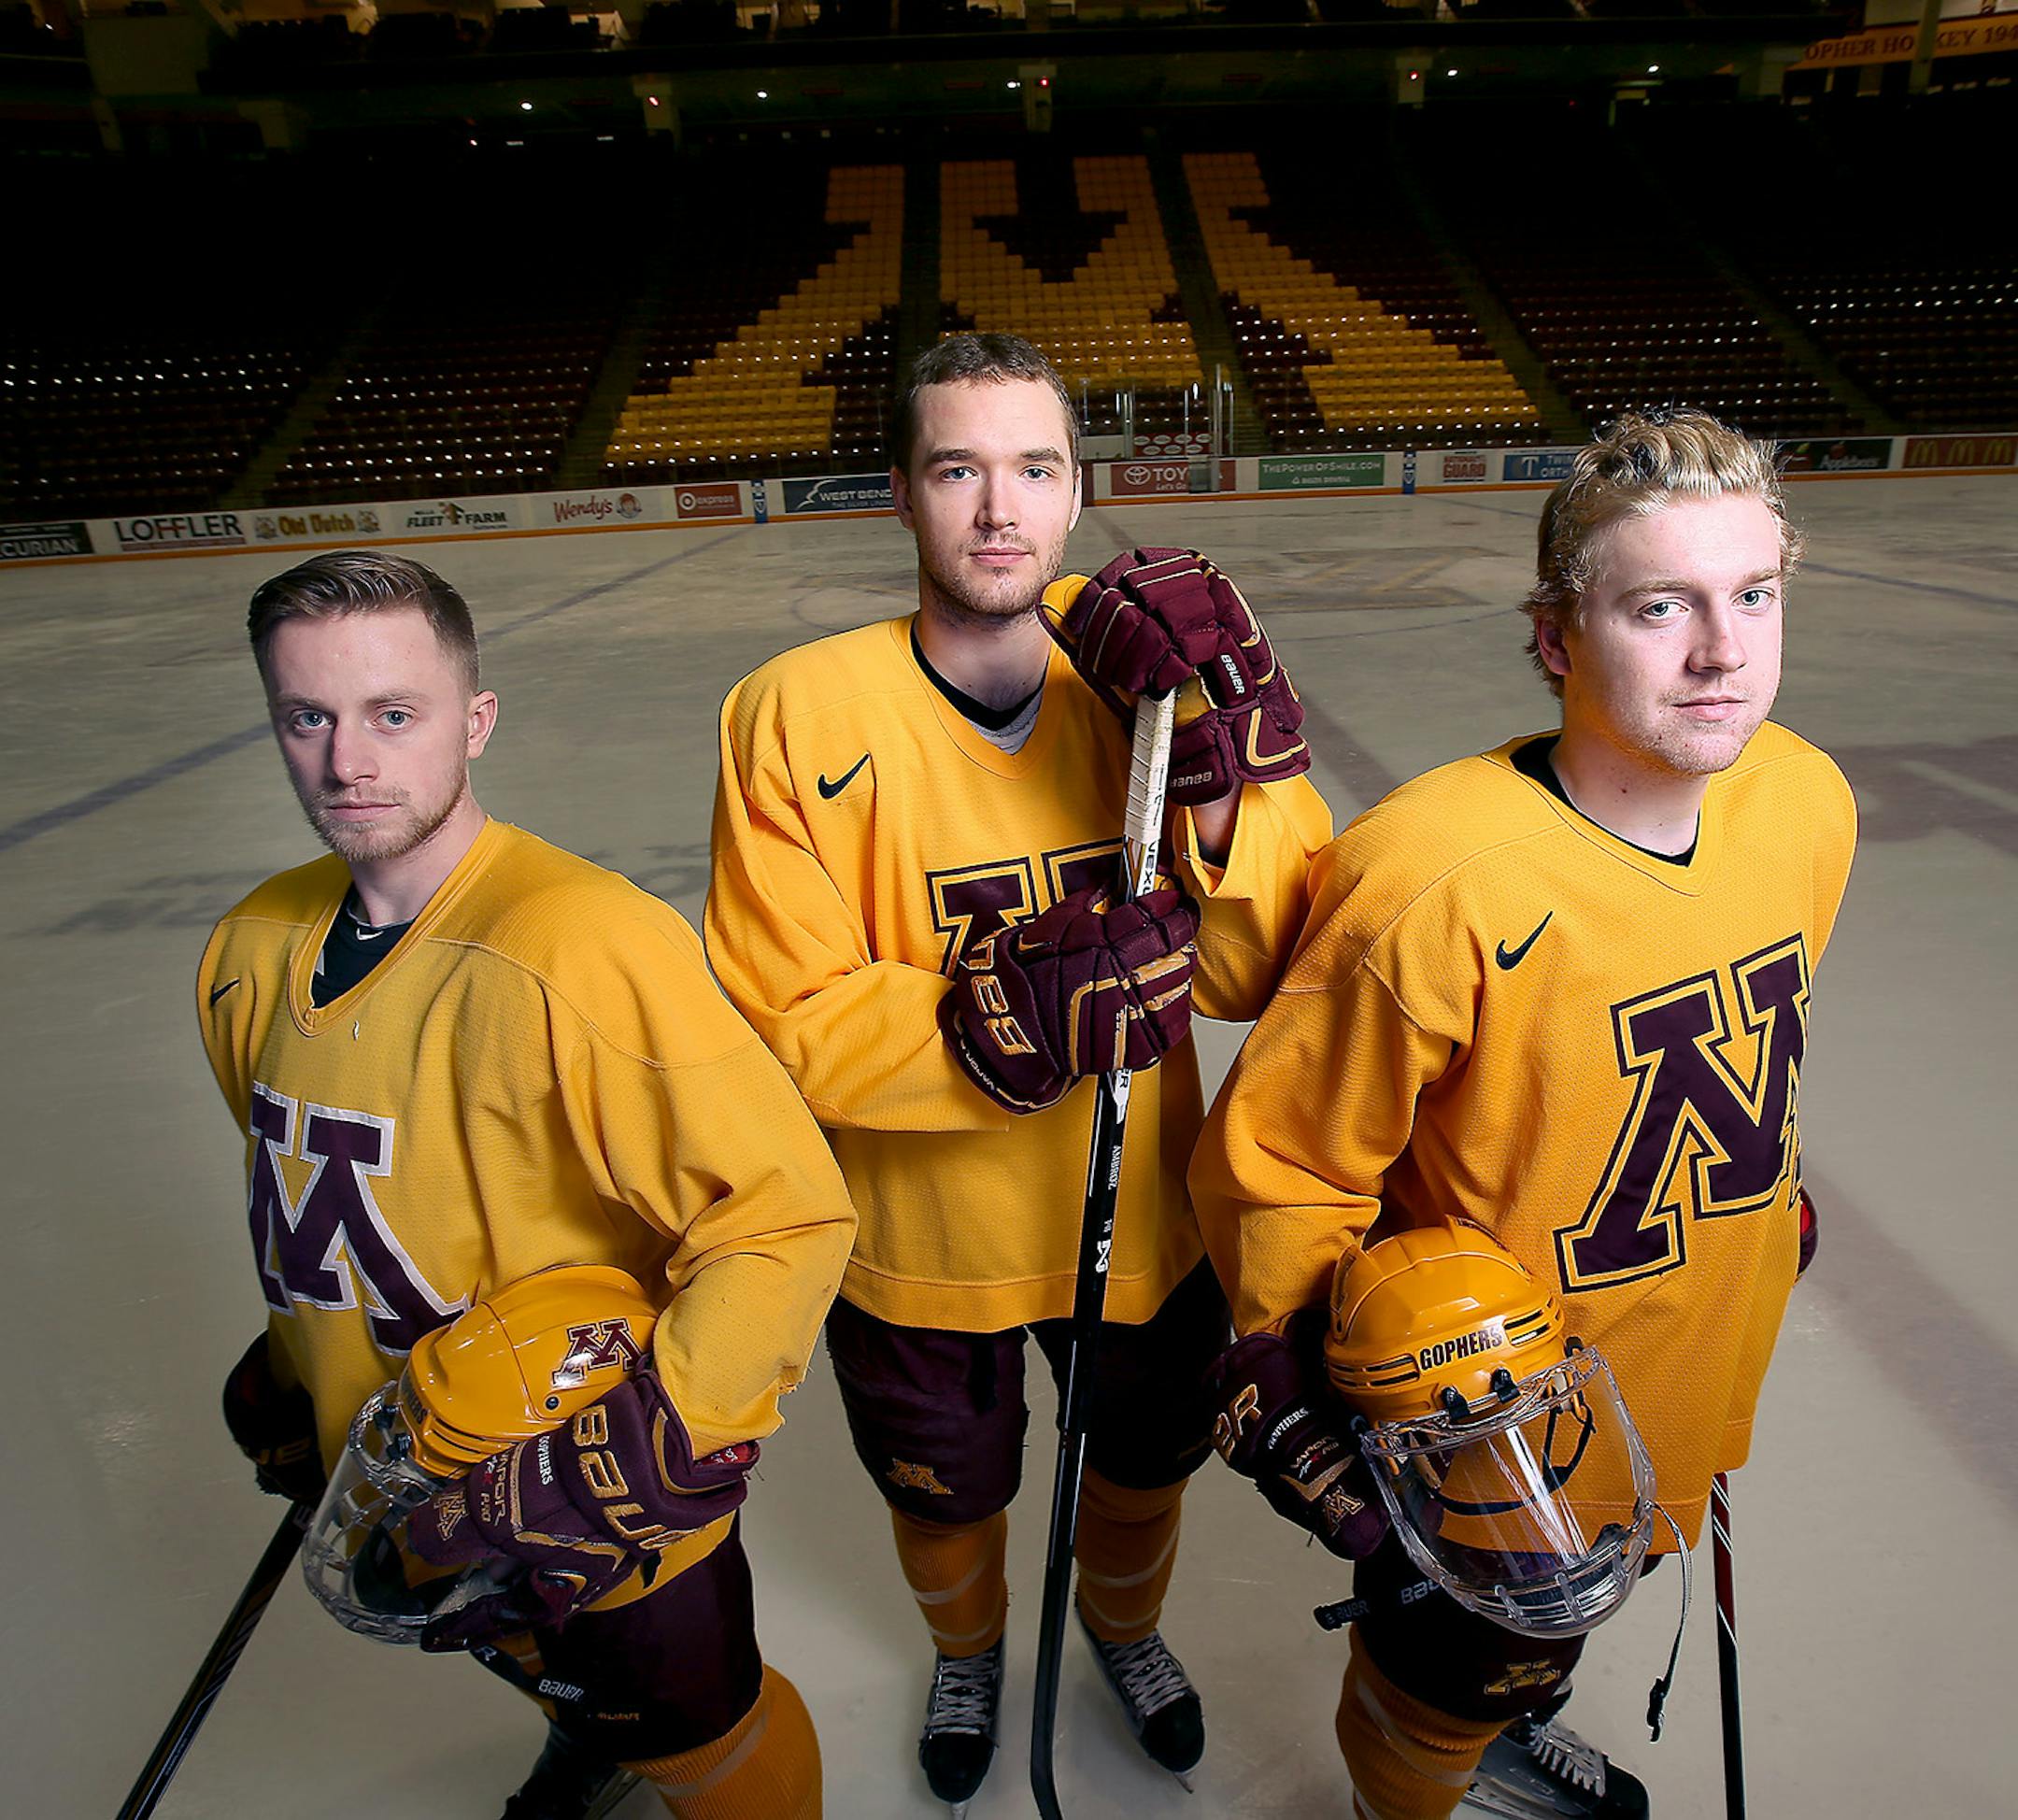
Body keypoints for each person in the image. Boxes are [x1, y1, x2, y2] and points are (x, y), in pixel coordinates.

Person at [1193, 408, 1856, 1820]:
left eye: (1755, 595)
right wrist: (1292, 1355)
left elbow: (1757, 1033)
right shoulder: (1437, 877)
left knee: (1575, 1612)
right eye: (1660, 606)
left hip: (1689, 1363)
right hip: (1489, 1409)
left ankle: (1504, 1725)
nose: (1723, 652)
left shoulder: (1805, 799)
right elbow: (1286, 1157)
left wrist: (1759, 1187)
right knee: (1443, 1674)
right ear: (1557, 638)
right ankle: (1414, 1784)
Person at [705, 332, 1332, 1810]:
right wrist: (1001, 1023)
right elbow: (779, 1012)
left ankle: (1124, 1631)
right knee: (949, 1500)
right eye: (958, 468)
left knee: (1141, 1472)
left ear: (1073, 493)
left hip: (1147, 1229)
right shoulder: (791, 714)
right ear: (904, 496)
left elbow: (1253, 968)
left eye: (1035, 468)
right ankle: (970, 1649)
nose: (1000, 507)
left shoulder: (1147, 676)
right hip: (920, 1245)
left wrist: (1231, 777)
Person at [198, 550, 857, 1820]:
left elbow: (786, 1214)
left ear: (475, 721)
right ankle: (589, 1735)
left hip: (577, 1483)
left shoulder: (584, 947)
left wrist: (659, 1440)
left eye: (395, 714)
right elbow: (330, 1189)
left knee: (703, 1735)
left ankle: (644, 1744)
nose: (348, 762)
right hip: (403, 1464)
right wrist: (299, 1360)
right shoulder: (248, 947)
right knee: (528, 1660)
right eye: (308, 717)